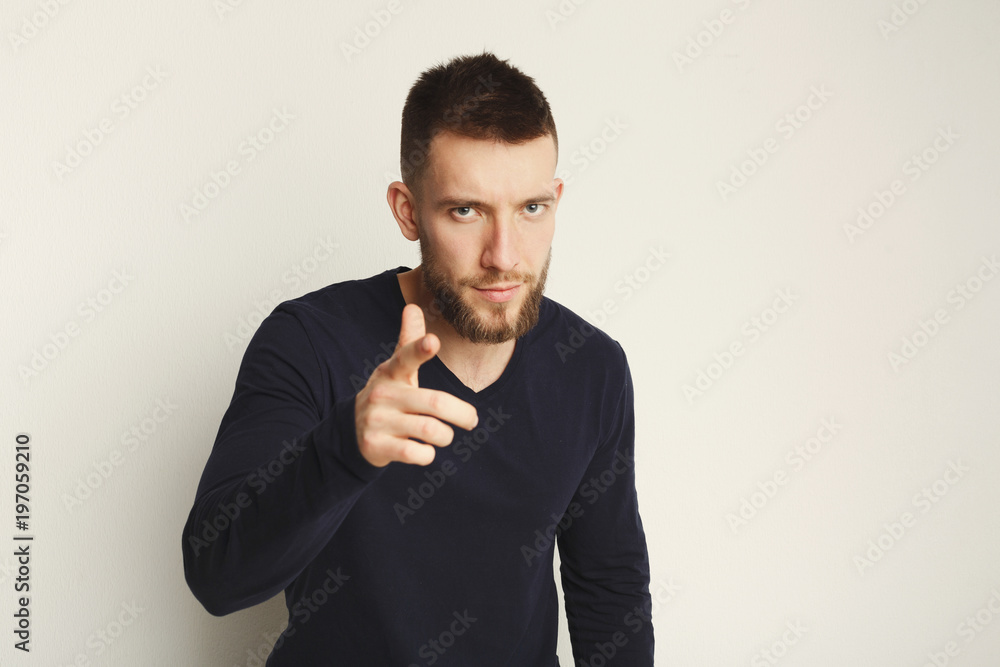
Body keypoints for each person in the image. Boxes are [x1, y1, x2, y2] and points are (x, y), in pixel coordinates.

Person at [182, 51, 654, 666]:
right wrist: (344, 448)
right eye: (466, 210)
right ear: (408, 210)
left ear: (556, 200)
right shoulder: (309, 340)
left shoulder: (593, 369)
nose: (504, 255)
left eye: (531, 208)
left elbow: (610, 593)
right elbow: (217, 576)